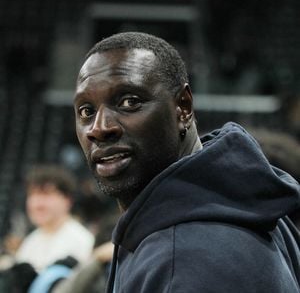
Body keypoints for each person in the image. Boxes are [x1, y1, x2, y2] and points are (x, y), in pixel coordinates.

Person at [74, 32, 300, 292]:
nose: (99, 128)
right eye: (86, 111)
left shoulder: (180, 261)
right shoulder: (251, 208)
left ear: (183, 106)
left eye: (129, 101)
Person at [15, 164, 95, 272]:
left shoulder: (83, 242)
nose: (38, 204)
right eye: (33, 195)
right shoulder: (29, 243)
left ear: (67, 200)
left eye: (46, 195)